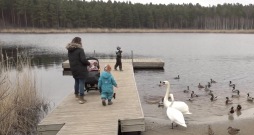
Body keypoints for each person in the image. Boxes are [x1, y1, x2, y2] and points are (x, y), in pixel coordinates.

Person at [66, 37, 91, 104]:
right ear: (79, 42)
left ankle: (76, 95)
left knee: (76, 81)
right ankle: (81, 98)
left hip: (73, 68)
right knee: (82, 81)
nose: (81, 42)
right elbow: (83, 60)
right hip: (81, 68)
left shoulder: (69, 50)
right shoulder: (80, 50)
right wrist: (89, 63)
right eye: (81, 41)